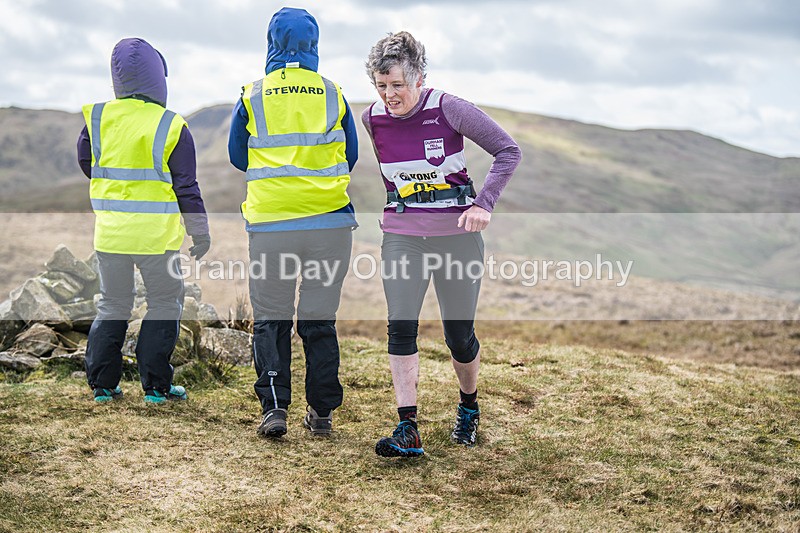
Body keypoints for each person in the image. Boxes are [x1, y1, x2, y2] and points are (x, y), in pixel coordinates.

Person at [363, 31, 521, 456]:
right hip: (403, 236)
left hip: (457, 238)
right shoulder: (371, 118)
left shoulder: (449, 108)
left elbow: (508, 151)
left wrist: (483, 204)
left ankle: (468, 407)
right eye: (381, 86)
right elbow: (392, 173)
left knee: (458, 335)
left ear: (418, 77)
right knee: (400, 326)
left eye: (397, 85)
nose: (389, 95)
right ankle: (407, 426)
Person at [228, 8, 358, 438]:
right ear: (314, 45)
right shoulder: (333, 93)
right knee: (319, 320)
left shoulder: (253, 93)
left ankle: (274, 409)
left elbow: (237, 155)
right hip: (329, 225)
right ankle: (321, 414)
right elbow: (351, 156)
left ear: (271, 43)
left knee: (271, 317)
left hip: (271, 227)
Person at [77, 38, 210, 404]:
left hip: (111, 235)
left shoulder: (97, 118)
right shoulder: (171, 125)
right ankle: (156, 387)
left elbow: (88, 163)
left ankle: (103, 386)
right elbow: (187, 185)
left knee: (112, 304)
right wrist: (200, 231)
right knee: (165, 304)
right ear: (157, 78)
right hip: (157, 238)